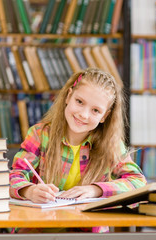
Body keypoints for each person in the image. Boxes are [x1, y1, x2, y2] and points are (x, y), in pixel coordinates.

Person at [9, 68, 147, 233]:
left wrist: (95, 190)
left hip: (88, 233)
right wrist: (29, 191)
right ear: (68, 96)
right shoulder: (40, 134)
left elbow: (138, 183)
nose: (83, 114)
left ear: (105, 116)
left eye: (95, 111)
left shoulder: (111, 145)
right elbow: (14, 177)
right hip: (37, 231)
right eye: (79, 102)